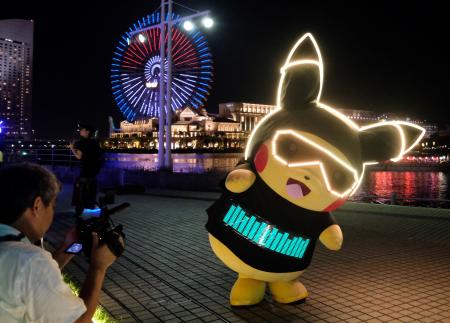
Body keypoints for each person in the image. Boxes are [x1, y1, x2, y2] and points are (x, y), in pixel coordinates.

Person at [0, 163, 121, 322]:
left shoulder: (17, 253)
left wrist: (70, 246)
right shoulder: (29, 261)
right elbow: (79, 320)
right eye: (52, 206)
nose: (52, 214)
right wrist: (98, 267)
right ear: (37, 206)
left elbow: (34, 281)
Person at [69, 124, 103, 215]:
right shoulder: (95, 142)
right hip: (94, 169)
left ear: (87, 131)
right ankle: (91, 204)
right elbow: (99, 155)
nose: (80, 131)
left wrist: (72, 148)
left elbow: (78, 157)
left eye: (82, 130)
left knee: (81, 189)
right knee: (91, 188)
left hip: (85, 169)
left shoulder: (81, 143)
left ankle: (79, 208)